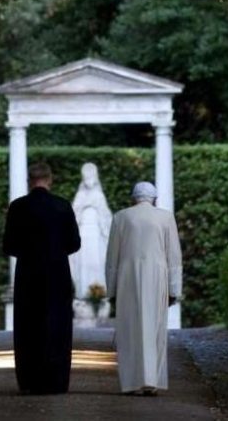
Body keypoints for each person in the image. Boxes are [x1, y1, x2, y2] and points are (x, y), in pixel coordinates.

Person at [2, 162, 81, 394]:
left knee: (28, 326)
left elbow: (9, 246)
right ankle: (56, 381)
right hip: (57, 273)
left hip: (28, 273)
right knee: (57, 325)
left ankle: (29, 381)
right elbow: (74, 243)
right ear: (50, 179)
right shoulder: (62, 206)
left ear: (30, 180)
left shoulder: (18, 207)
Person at [105, 181, 182, 396]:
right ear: (154, 198)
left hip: (127, 279)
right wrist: (174, 289)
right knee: (155, 328)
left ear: (134, 198)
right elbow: (174, 256)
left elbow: (112, 258)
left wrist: (111, 290)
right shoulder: (166, 217)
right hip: (157, 278)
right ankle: (152, 381)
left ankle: (131, 382)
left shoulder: (121, 217)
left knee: (129, 329)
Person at [70, 162, 112, 299]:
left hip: (96, 234)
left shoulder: (99, 196)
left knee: (97, 263)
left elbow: (106, 218)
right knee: (83, 264)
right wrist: (83, 206)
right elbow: (73, 217)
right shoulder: (80, 196)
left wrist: (96, 207)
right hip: (83, 234)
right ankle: (83, 293)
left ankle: (98, 293)